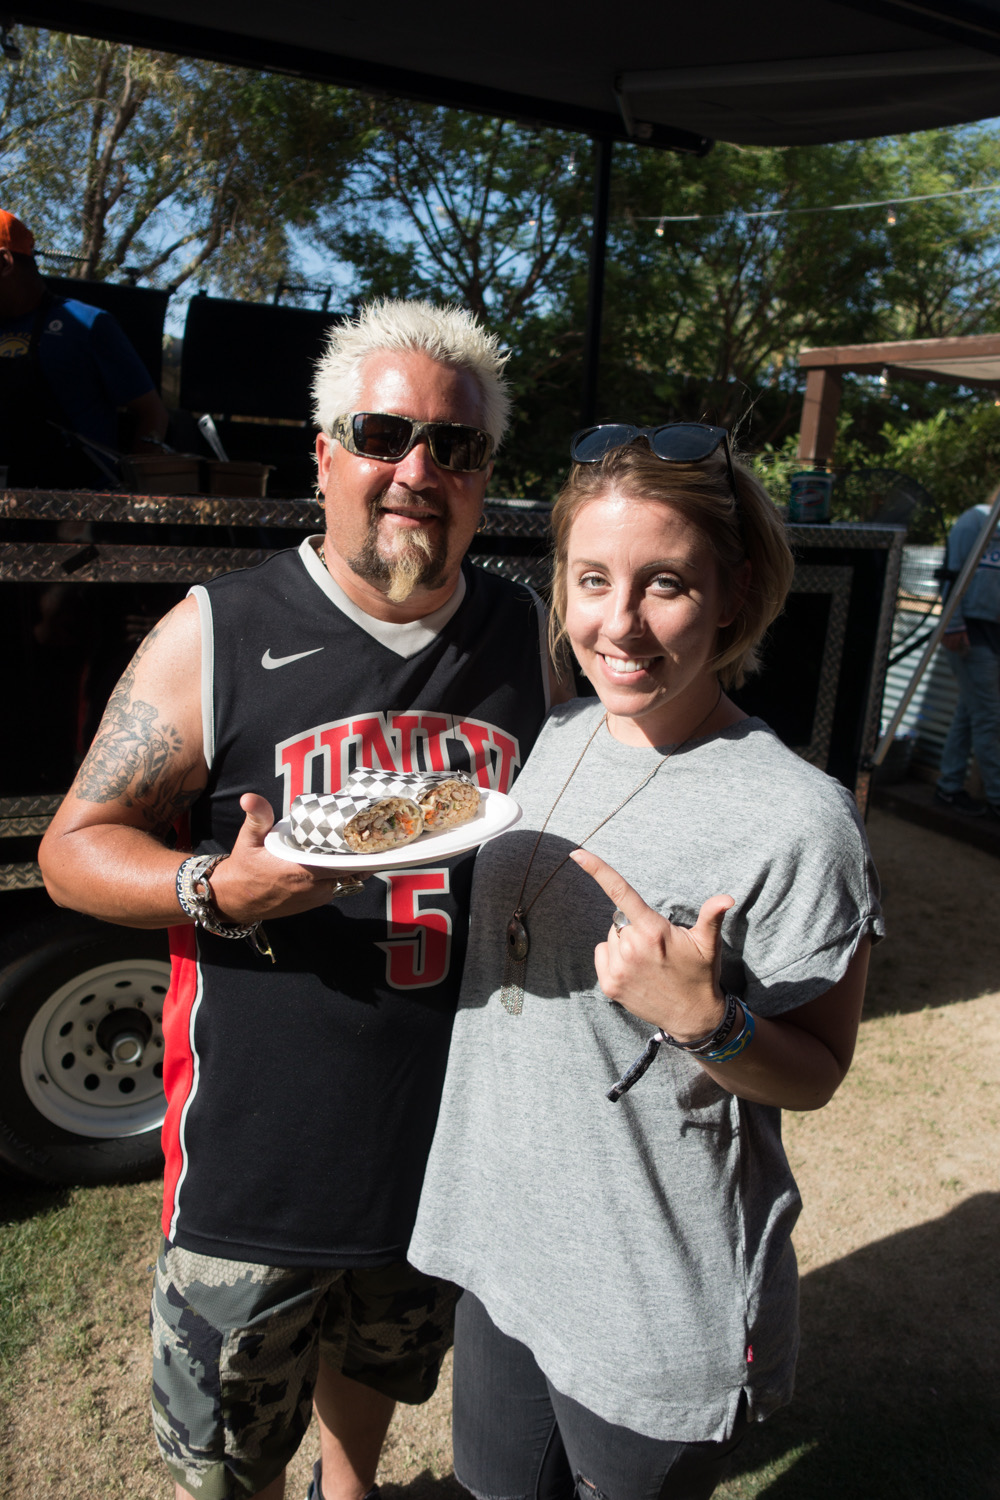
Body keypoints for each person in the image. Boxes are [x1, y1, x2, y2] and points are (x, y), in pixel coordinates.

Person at [38, 298, 556, 1500]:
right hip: (257, 1160)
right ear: (324, 455)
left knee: (379, 1361)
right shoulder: (219, 629)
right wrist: (217, 885)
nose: (417, 470)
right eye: (383, 435)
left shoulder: (526, 631)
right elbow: (73, 850)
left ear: (483, 478)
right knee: (229, 1458)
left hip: (441, 1144)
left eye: (456, 446)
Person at [408, 423, 884, 1500]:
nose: (617, 625)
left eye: (664, 583)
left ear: (733, 592)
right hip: (502, 1242)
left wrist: (708, 1022)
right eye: (592, 580)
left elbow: (815, 1074)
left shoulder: (797, 820)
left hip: (650, 1297)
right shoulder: (558, 735)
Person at [0, 208, 168, 486]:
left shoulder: (87, 324)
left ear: (5, 262)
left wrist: (133, 493)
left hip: (78, 505)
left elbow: (152, 414)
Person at [934, 500, 1000, 818]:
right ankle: (998, 797)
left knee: (970, 712)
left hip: (993, 633)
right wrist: (952, 623)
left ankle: (949, 786)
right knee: (990, 717)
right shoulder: (976, 520)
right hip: (970, 633)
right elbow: (952, 574)